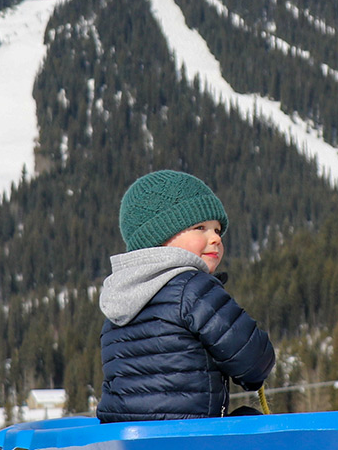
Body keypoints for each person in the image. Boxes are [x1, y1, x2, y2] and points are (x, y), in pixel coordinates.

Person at [96, 169, 276, 422]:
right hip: (188, 440)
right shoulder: (192, 288)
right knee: (252, 421)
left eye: (217, 230)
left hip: (130, 441)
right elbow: (252, 360)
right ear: (160, 236)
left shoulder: (118, 299)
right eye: (200, 227)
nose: (215, 238)